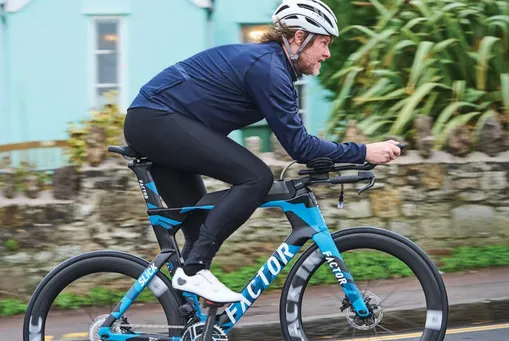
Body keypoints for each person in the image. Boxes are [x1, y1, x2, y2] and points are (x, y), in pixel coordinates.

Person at [124, 0, 402, 304]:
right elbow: (300, 147)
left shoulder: (273, 67)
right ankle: (193, 271)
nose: (327, 53)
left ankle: (189, 321)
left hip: (159, 124)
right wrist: (363, 151)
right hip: (155, 121)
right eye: (323, 43)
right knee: (255, 177)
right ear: (299, 38)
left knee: (200, 229)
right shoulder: (269, 69)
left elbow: (300, 143)